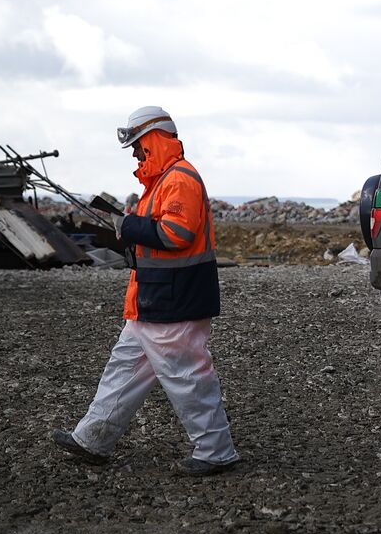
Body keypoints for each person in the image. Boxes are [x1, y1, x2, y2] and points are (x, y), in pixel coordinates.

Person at [51, 106, 241, 476]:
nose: (137, 154)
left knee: (187, 377)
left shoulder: (179, 179)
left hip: (175, 301)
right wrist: (131, 225)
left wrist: (130, 226)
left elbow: (176, 234)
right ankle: (92, 438)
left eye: (139, 146)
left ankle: (216, 451)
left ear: (154, 140)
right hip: (154, 300)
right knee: (123, 369)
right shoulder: (162, 182)